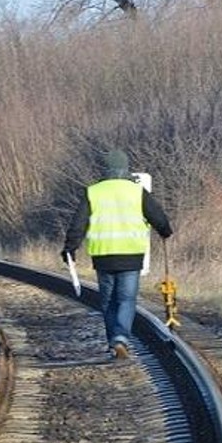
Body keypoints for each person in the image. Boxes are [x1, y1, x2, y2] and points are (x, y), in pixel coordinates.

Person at [62, 149, 173, 360]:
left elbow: (78, 223)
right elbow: (158, 217)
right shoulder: (136, 191)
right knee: (126, 299)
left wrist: (70, 247)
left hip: (103, 256)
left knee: (108, 301)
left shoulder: (93, 192)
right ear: (126, 168)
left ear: (105, 169)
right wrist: (165, 231)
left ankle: (114, 340)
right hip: (131, 254)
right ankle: (120, 338)